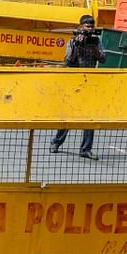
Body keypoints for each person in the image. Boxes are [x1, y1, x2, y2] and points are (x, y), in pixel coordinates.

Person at [50, 15, 107, 159]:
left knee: (89, 117)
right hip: (74, 81)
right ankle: (56, 142)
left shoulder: (96, 41)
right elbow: (68, 61)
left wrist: (93, 47)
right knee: (69, 114)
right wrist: (77, 45)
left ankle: (86, 149)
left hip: (89, 81)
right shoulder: (72, 41)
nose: (90, 29)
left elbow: (103, 58)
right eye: (87, 26)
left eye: (92, 26)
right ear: (81, 27)